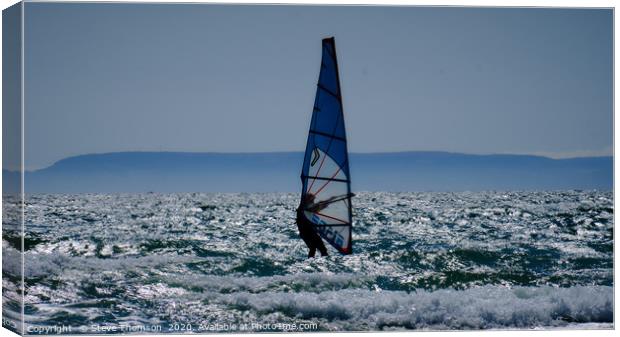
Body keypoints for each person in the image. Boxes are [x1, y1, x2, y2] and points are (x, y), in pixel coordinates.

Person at [296, 193, 329, 258]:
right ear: (307, 200)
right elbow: (312, 209)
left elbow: (318, 207)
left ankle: (323, 263)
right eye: (312, 200)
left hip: (312, 232)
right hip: (305, 233)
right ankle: (309, 263)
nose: (313, 202)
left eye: (313, 200)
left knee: (323, 250)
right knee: (312, 248)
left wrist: (328, 201)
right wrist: (320, 205)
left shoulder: (310, 207)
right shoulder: (302, 208)